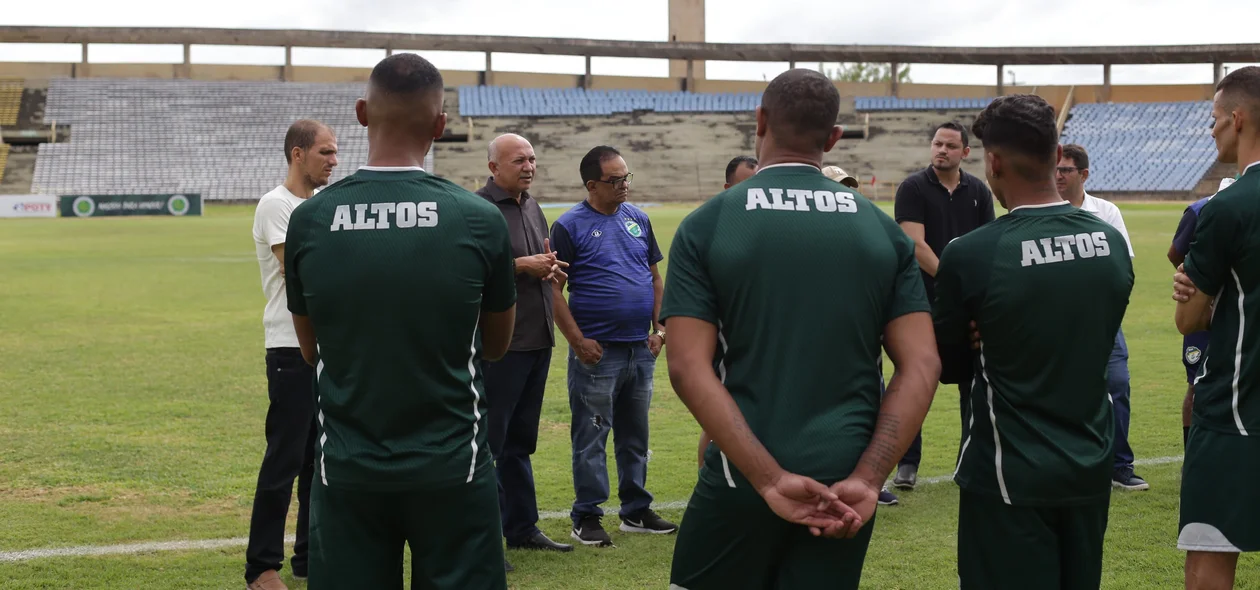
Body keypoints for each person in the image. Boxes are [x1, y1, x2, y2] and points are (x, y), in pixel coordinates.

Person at [663, 68, 941, 589]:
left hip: (740, 476)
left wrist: (769, 479)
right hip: (846, 489)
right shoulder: (882, 230)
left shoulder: (709, 223)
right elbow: (922, 363)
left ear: (761, 120)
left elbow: (686, 366)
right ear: (834, 138)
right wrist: (868, 478)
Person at [283, 53, 516, 590]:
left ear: (362, 112)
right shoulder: (478, 218)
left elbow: (311, 350)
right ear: (440, 124)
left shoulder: (311, 219)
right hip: (454, 465)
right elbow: (498, 346)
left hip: (347, 467)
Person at [935, 94, 1134, 590]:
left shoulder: (972, 254)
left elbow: (950, 364)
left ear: (994, 162)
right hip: (1090, 463)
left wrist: (987, 334)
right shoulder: (1109, 243)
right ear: (1055, 153)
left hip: (1008, 473)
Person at [551, 145, 676, 547]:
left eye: (626, 177)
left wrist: (660, 330)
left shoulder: (638, 219)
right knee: (591, 435)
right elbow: (553, 290)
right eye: (614, 180)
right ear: (591, 185)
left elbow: (655, 278)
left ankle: (635, 510)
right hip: (597, 352)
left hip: (641, 348)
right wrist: (578, 340)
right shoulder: (569, 226)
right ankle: (586, 515)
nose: (624, 185)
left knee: (635, 435)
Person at [1172, 65, 1260, 590]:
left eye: (1213, 119)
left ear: (1238, 117)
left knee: (1209, 556)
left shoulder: (1227, 206)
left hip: (1236, 411)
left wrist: (1194, 288)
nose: (1211, 131)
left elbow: (1190, 318)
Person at [245, 118, 337, 590]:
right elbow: (300, 270)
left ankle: (307, 556)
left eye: (335, 151)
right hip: (288, 345)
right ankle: (261, 567)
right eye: (325, 152)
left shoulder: (322, 205)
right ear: (298, 154)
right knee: (284, 459)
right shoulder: (275, 205)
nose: (334, 160)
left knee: (319, 461)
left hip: (326, 348)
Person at [474, 133, 572, 565]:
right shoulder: (477, 211)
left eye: (532, 158)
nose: (529, 166)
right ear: (494, 167)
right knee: (490, 444)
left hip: (538, 338)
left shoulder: (532, 205)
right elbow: (467, 271)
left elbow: (538, 263)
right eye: (519, 160)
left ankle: (522, 527)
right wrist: (519, 266)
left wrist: (550, 272)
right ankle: (486, 538)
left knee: (520, 442)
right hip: (501, 345)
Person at [893, 121, 996, 491]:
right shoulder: (913, 187)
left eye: (951, 146)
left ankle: (969, 459)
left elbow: (988, 244)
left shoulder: (979, 191)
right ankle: (906, 463)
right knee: (916, 379)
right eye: (937, 143)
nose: (942, 150)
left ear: (965, 152)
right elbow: (913, 244)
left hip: (969, 303)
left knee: (973, 383)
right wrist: (953, 280)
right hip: (921, 301)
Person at [1055, 143, 1147, 492]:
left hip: (1101, 320)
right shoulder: (1045, 211)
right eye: (1056, 169)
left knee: (1118, 385)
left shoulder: (1105, 212)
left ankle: (1119, 465)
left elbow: (1121, 268)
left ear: (1084, 174)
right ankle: (1070, 464)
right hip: (1058, 322)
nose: (1059, 176)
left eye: (1066, 170)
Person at [823, 164, 902, 508]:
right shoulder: (808, 236)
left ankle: (871, 479)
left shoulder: (867, 233)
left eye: (849, 186)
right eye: (839, 186)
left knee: (872, 407)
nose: (847, 192)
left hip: (866, 340)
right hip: (826, 341)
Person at [1168, 176, 1235, 449]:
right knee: (1196, 383)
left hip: (1238, 310)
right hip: (1204, 314)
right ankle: (1191, 453)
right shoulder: (1200, 210)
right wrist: (1195, 283)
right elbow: (1176, 254)